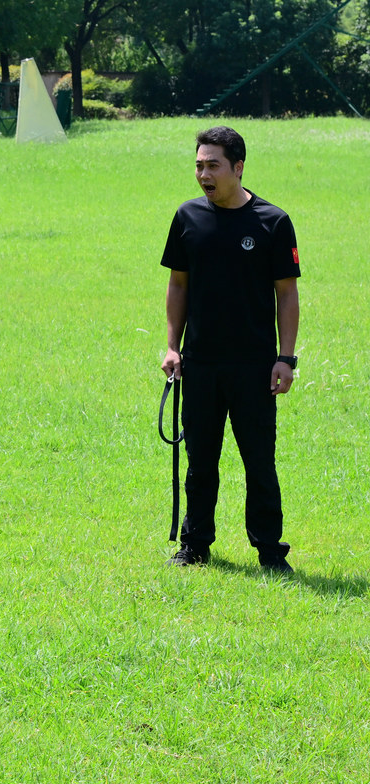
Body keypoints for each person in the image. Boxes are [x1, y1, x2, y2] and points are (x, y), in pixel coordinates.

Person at [160, 125, 301, 574]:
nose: (204, 174)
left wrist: (286, 357)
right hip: (200, 363)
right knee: (200, 462)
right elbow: (177, 284)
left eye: (213, 165)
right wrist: (171, 347)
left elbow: (287, 294)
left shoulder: (272, 222)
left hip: (254, 367)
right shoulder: (187, 218)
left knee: (259, 462)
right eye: (199, 165)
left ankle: (270, 551)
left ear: (238, 167)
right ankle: (194, 544)